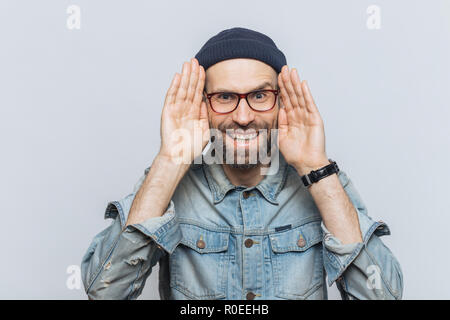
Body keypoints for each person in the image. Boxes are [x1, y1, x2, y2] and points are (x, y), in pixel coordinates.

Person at [81, 27, 403, 300]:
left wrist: (314, 165)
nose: (244, 117)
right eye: (224, 98)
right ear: (202, 105)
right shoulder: (168, 180)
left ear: (281, 101)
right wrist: (170, 159)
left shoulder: (321, 179)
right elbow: (104, 291)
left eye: (260, 95)